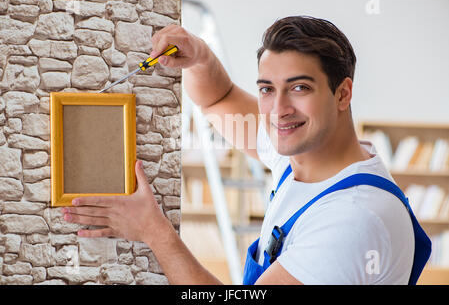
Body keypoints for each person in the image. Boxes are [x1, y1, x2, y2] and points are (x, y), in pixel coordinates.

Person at [62, 16, 430, 285]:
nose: (278, 109)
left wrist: (155, 232)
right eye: (267, 89)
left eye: (299, 88)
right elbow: (218, 98)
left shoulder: (354, 218)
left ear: (342, 93)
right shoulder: (299, 157)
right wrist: (200, 57)